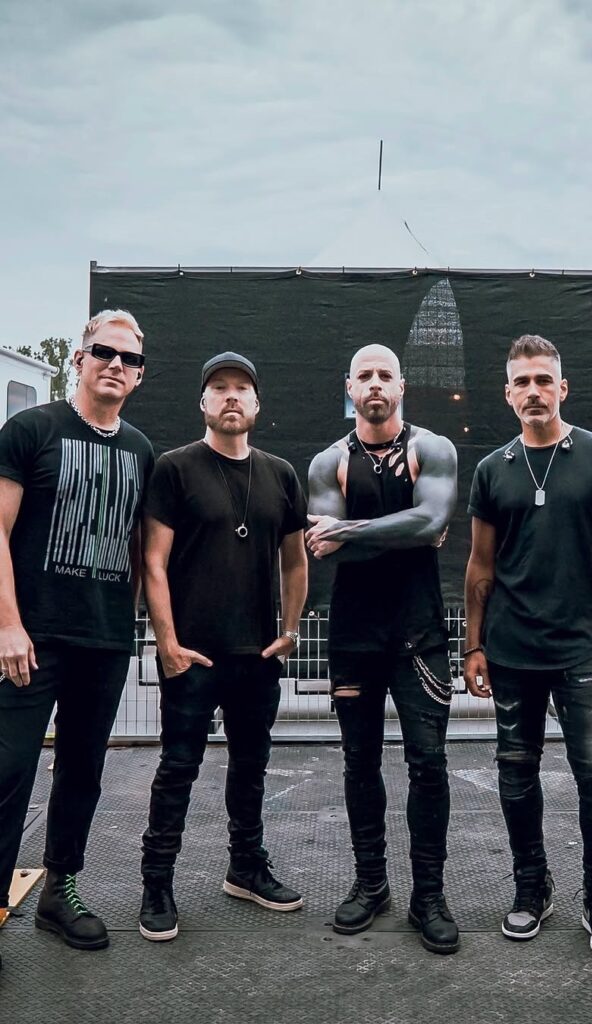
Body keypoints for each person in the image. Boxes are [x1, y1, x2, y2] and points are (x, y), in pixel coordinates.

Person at [464, 334, 592, 959]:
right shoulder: (493, 469)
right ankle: (531, 888)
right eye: (523, 381)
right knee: (516, 775)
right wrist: (473, 645)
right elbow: (480, 564)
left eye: (544, 379)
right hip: (512, 651)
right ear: (508, 394)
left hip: (583, 649)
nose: (534, 390)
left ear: (562, 388)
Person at [138, 352, 308, 942]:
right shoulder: (174, 468)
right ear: (203, 402)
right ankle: (157, 882)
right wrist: (167, 643)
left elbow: (295, 560)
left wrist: (289, 632)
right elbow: (153, 562)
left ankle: (246, 867)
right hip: (192, 656)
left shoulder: (280, 474)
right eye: (219, 388)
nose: (230, 396)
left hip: (256, 655)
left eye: (241, 388)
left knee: (251, 767)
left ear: (257, 404)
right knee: (177, 769)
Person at [0, 310, 153, 957]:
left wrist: (129, 626)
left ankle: (59, 892)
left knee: (82, 770)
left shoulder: (141, 451)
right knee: (8, 770)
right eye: (104, 352)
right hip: (30, 640)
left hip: (104, 642)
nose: (116, 364)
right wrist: (8, 624)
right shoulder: (31, 430)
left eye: (129, 358)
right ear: (79, 358)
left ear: (139, 375)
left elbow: (141, 549)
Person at [306, 344, 459, 954]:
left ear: (402, 386)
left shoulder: (433, 449)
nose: (374, 384)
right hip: (355, 635)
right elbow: (324, 545)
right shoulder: (329, 462)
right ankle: (371, 885)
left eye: (384, 375)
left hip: (418, 633)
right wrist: (405, 529)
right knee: (359, 762)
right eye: (364, 376)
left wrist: (352, 530)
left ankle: (429, 896)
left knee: (429, 763)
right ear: (349, 387)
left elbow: (431, 522)